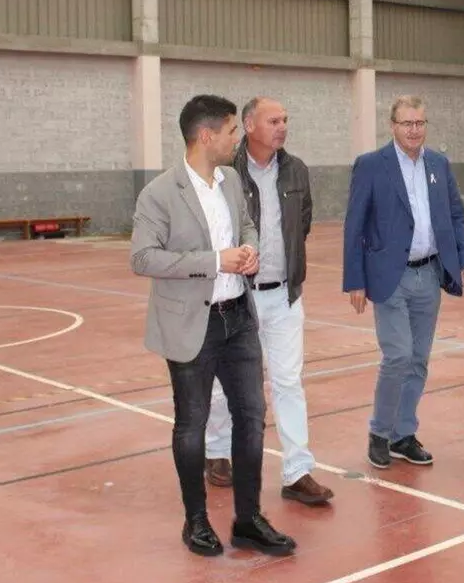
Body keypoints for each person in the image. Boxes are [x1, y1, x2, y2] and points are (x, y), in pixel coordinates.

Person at [130, 94, 296, 557]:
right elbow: (142, 258)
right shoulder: (159, 193)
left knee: (251, 418)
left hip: (238, 317)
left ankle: (248, 520)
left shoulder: (232, 181)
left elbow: (246, 225)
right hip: (192, 325)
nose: (236, 138)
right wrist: (215, 261)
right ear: (206, 136)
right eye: (230, 131)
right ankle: (197, 521)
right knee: (192, 424)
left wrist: (248, 249)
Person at [202, 96, 334, 507]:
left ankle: (297, 472)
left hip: (284, 296)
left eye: (285, 120)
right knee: (226, 384)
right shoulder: (225, 173)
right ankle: (217, 451)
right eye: (273, 120)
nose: (282, 127)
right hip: (237, 298)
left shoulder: (296, 171)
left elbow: (302, 223)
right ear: (249, 126)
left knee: (288, 382)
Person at [342, 95, 464, 470]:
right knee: (398, 355)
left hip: (429, 274)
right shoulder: (371, 165)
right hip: (390, 276)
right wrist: (355, 280)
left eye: (419, 123)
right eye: (407, 123)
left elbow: (456, 215)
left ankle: (402, 434)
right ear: (393, 126)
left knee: (418, 359)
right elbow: (354, 225)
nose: (414, 130)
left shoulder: (438, 164)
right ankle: (379, 432)